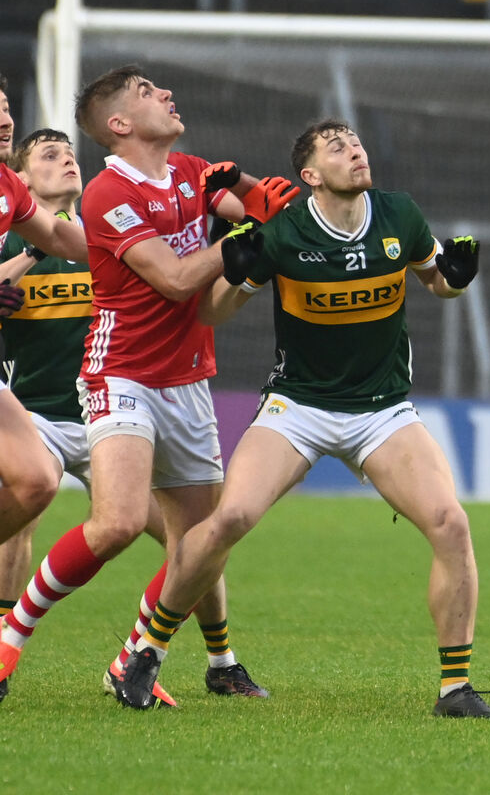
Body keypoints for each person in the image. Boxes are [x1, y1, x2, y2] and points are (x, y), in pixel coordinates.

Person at [117, 119, 490, 719]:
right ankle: (146, 651)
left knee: (451, 524)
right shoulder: (285, 228)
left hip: (382, 409)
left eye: (356, 143)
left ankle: (455, 689)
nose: (355, 151)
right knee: (231, 518)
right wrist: (239, 272)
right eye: (337, 147)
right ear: (310, 175)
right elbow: (215, 314)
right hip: (298, 406)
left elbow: (436, 283)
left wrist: (454, 279)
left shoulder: (400, 214)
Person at [0, 66, 296, 701]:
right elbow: (179, 279)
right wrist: (243, 235)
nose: (164, 93)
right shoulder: (110, 192)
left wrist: (264, 202)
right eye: (145, 91)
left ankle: (142, 655)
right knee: (116, 523)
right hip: (120, 373)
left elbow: (272, 217)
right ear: (120, 124)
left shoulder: (190, 171)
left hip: (188, 380)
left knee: (204, 540)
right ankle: (10, 638)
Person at [0, 78, 89, 554]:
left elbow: (58, 239)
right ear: (27, 177)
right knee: (29, 492)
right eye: (49, 156)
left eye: (8, 107)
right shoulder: (12, 237)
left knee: (35, 484)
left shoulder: (10, 188)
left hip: (104, 414)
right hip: (36, 411)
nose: (5, 120)